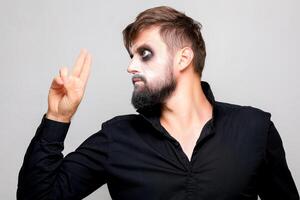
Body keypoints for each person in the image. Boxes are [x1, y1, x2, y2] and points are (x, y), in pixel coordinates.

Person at [17, 6, 299, 200]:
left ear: (183, 58)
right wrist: (57, 117)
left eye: (145, 54)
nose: (131, 67)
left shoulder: (254, 129)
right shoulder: (116, 137)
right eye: (131, 56)